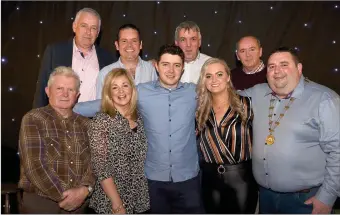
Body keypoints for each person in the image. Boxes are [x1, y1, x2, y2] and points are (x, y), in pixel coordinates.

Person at [240, 47, 340, 214]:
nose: (277, 71)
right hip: (266, 197)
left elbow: (338, 152)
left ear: (299, 68)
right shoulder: (258, 92)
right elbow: (225, 98)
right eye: (271, 66)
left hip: (305, 201)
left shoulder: (324, 100)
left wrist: (327, 197)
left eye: (284, 64)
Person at [136, 44, 203, 213]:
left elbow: (224, 98)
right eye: (165, 64)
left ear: (183, 68)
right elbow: (108, 102)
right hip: (154, 180)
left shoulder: (195, 92)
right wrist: (66, 106)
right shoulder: (140, 92)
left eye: (177, 65)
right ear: (156, 66)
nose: (171, 70)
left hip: (188, 179)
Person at [18, 66, 95, 213]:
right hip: (41, 204)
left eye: (71, 90)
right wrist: (66, 196)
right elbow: (34, 166)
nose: (65, 94)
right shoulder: (33, 119)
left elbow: (96, 162)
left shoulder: (88, 125)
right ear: (48, 91)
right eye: (59, 88)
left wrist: (84, 191)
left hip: (80, 206)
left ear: (77, 95)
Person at [196, 58, 258, 213]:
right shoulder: (200, 111)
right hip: (210, 180)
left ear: (228, 77)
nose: (214, 80)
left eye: (219, 74)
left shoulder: (247, 104)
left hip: (242, 180)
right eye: (208, 76)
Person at [88, 68, 150, 214]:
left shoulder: (141, 118)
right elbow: (101, 168)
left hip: (140, 199)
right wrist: (117, 204)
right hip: (111, 201)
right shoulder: (101, 121)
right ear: (108, 93)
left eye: (125, 85)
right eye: (114, 87)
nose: (120, 91)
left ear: (132, 88)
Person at [33, 8, 115, 108]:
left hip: (94, 121)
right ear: (74, 27)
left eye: (93, 28)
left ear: (98, 33)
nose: (88, 32)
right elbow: (41, 90)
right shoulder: (55, 52)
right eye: (84, 26)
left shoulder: (108, 59)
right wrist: (37, 120)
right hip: (59, 120)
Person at [95, 23, 158, 99]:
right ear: (117, 45)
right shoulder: (105, 73)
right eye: (124, 41)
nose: (129, 45)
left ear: (140, 44)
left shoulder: (150, 69)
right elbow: (101, 106)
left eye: (134, 41)